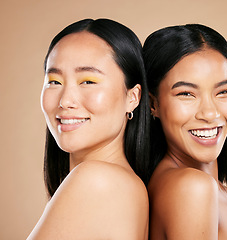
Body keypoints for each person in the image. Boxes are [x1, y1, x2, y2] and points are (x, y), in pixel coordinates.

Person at [27, 18, 150, 240]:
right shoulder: (129, 185)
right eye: (54, 81)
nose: (65, 100)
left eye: (88, 81)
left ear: (133, 97)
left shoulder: (96, 181)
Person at [143, 24, 227, 240]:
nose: (209, 113)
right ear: (154, 104)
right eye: (187, 94)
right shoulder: (192, 189)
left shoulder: (211, 187)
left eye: (224, 91)